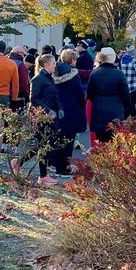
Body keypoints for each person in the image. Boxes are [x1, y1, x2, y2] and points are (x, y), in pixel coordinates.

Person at [53, 49, 87, 175]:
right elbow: (79, 93)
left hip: (58, 108)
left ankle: (58, 166)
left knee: (59, 139)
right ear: (72, 60)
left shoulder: (54, 73)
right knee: (68, 141)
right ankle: (65, 167)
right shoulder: (73, 76)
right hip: (71, 110)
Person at [29, 54, 61, 186]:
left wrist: (60, 108)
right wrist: (48, 110)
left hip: (51, 116)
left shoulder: (49, 78)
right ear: (46, 64)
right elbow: (34, 99)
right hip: (42, 116)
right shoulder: (38, 79)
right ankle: (43, 176)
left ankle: (18, 162)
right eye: (53, 63)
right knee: (43, 145)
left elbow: (54, 96)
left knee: (45, 145)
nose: (55, 65)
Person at [87, 47, 130, 143]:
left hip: (99, 112)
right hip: (116, 112)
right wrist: (125, 112)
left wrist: (98, 101)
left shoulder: (95, 73)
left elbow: (90, 94)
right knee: (114, 144)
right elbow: (126, 96)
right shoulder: (119, 74)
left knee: (101, 143)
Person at [119, 45, 136, 117]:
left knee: (125, 104)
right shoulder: (135, 62)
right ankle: (133, 121)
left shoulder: (121, 61)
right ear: (133, 53)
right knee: (132, 104)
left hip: (123, 86)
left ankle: (124, 120)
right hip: (133, 86)